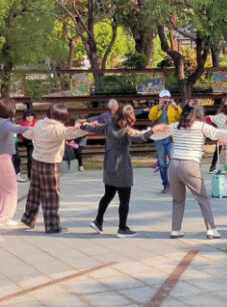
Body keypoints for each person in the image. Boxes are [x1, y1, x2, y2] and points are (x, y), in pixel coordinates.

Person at [82, 105, 168, 237]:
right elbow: (141, 138)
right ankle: (122, 228)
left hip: (109, 165)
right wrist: (154, 129)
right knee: (124, 199)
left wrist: (83, 124)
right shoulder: (127, 130)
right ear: (128, 117)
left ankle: (98, 221)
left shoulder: (109, 125)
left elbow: (92, 127)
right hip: (122, 167)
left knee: (108, 195)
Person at [167, 101, 227, 239]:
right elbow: (217, 133)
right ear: (199, 113)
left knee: (177, 200)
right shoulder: (201, 126)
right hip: (190, 164)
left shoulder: (175, 126)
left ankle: (175, 230)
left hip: (174, 164)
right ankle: (211, 229)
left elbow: (158, 132)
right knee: (202, 198)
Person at [20, 104, 88, 233]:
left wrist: (19, 128)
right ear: (61, 116)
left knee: (35, 191)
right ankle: (52, 226)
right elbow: (72, 133)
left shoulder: (39, 124)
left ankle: (28, 218)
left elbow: (29, 133)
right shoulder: (58, 129)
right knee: (51, 195)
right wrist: (87, 127)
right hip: (49, 164)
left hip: (36, 161)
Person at [0, 99, 31, 227]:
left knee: (2, 188)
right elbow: (14, 128)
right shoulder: (5, 123)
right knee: (11, 188)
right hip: (3, 157)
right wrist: (29, 127)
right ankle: (5, 217)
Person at [148, 90, 181, 193]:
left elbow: (182, 117)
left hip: (171, 138)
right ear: (159, 98)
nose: (165, 99)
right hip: (159, 139)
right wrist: (159, 107)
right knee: (162, 164)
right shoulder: (156, 108)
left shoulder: (173, 107)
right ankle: (166, 185)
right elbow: (151, 117)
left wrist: (177, 107)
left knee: (173, 161)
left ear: (170, 98)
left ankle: (175, 184)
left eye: (167, 98)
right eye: (163, 98)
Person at [16, 110, 37, 181]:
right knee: (30, 158)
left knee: (34, 158)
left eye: (31, 116)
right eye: (28, 116)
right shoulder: (22, 123)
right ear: (25, 117)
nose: (30, 118)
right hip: (25, 140)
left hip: (36, 141)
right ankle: (30, 175)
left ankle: (35, 175)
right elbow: (19, 133)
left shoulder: (36, 122)